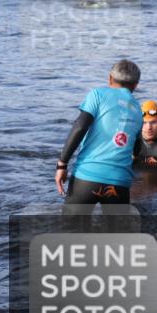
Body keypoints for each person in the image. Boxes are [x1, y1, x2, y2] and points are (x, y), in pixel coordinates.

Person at [55, 60, 143, 206]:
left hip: (86, 178)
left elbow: (80, 127)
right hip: (119, 183)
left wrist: (62, 164)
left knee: (73, 222)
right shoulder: (138, 109)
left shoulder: (97, 94)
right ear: (135, 85)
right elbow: (137, 148)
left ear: (110, 78)